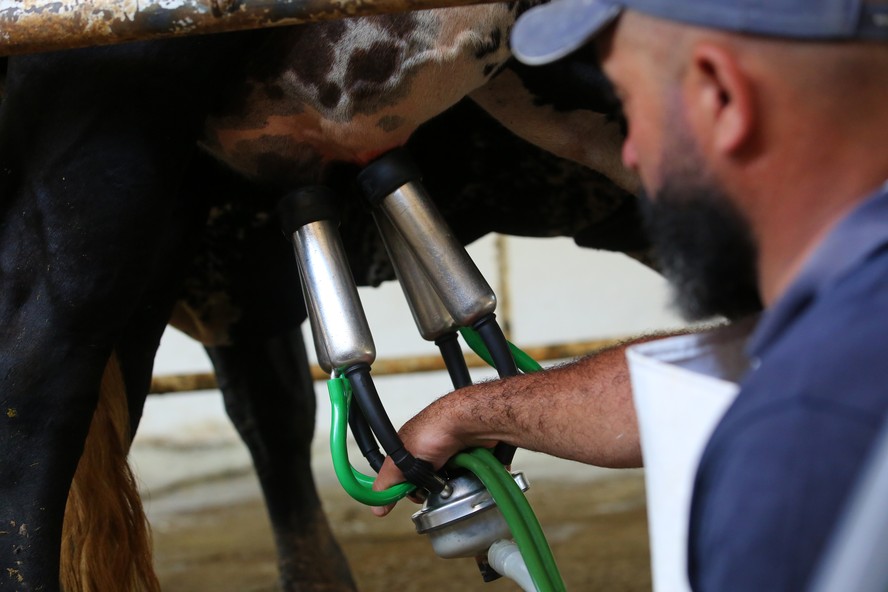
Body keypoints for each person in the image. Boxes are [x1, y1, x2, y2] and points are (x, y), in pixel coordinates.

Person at [372, 0, 888, 588]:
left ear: (721, 96)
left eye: (633, 102)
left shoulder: (802, 444)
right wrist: (468, 414)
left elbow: (790, 384)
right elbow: (742, 363)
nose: (633, 151)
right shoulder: (853, 323)